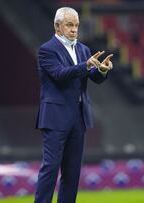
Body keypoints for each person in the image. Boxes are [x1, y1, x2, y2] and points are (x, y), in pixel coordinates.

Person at [34, 7, 113, 203]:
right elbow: (60, 75)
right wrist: (85, 66)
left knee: (72, 173)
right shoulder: (47, 50)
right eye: (70, 25)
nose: (74, 29)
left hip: (78, 118)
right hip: (55, 118)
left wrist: (101, 71)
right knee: (50, 169)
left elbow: (92, 77)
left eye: (76, 25)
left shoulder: (83, 49)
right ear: (57, 26)